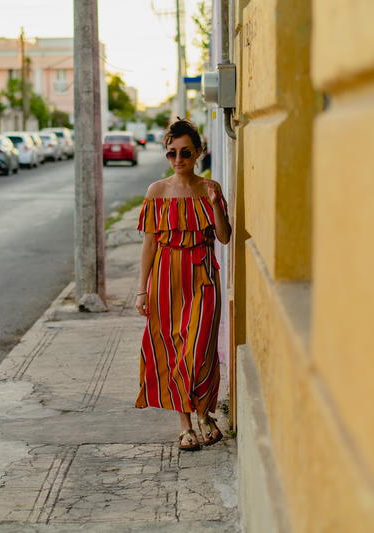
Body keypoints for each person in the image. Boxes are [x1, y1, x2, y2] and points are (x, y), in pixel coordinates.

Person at [134, 118, 232, 451]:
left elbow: (224, 236)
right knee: (173, 350)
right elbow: (149, 244)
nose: (178, 160)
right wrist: (141, 289)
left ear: (199, 153)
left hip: (202, 275)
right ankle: (186, 424)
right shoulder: (156, 192)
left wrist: (216, 202)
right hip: (165, 277)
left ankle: (203, 411)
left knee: (200, 349)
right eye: (172, 153)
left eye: (186, 153)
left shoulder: (210, 188)